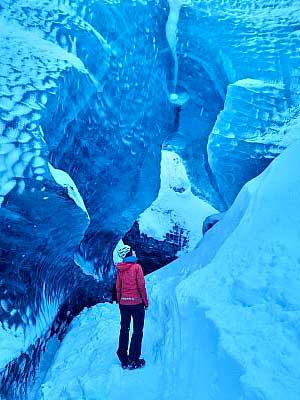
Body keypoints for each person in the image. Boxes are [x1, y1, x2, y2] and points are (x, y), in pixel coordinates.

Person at [116, 245, 149, 370]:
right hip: (136, 304)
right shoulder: (137, 267)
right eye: (132, 251)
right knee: (137, 331)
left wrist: (120, 300)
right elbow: (141, 286)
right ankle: (134, 359)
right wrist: (145, 302)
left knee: (124, 329)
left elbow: (118, 287)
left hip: (124, 304)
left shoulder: (120, 269)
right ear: (130, 253)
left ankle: (123, 358)